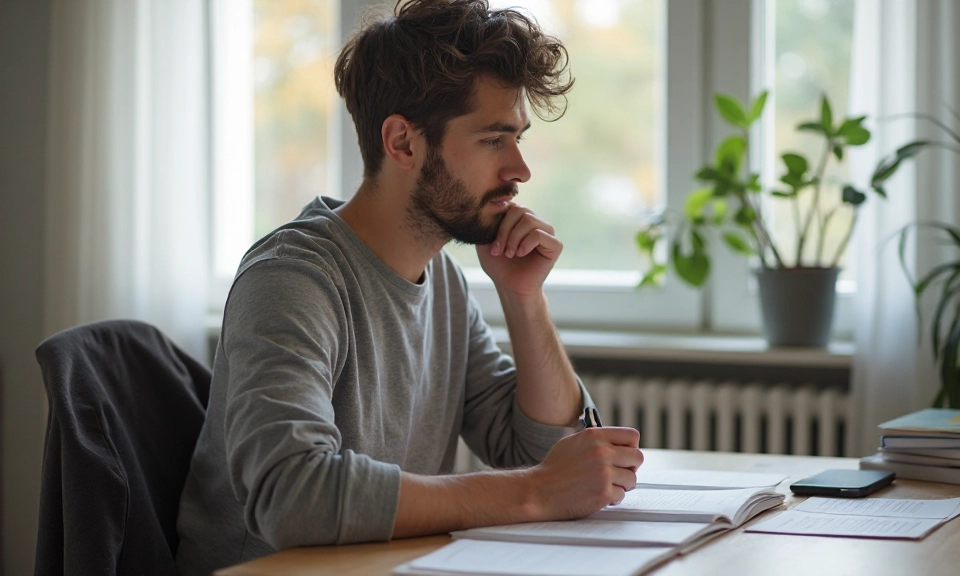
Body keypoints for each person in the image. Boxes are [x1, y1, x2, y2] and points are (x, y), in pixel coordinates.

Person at [175, 1, 643, 574]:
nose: (521, 169)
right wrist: (535, 492)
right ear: (402, 143)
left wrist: (524, 299)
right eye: (494, 139)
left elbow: (545, 455)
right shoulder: (292, 278)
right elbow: (292, 495)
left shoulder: (441, 277)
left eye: (517, 138)